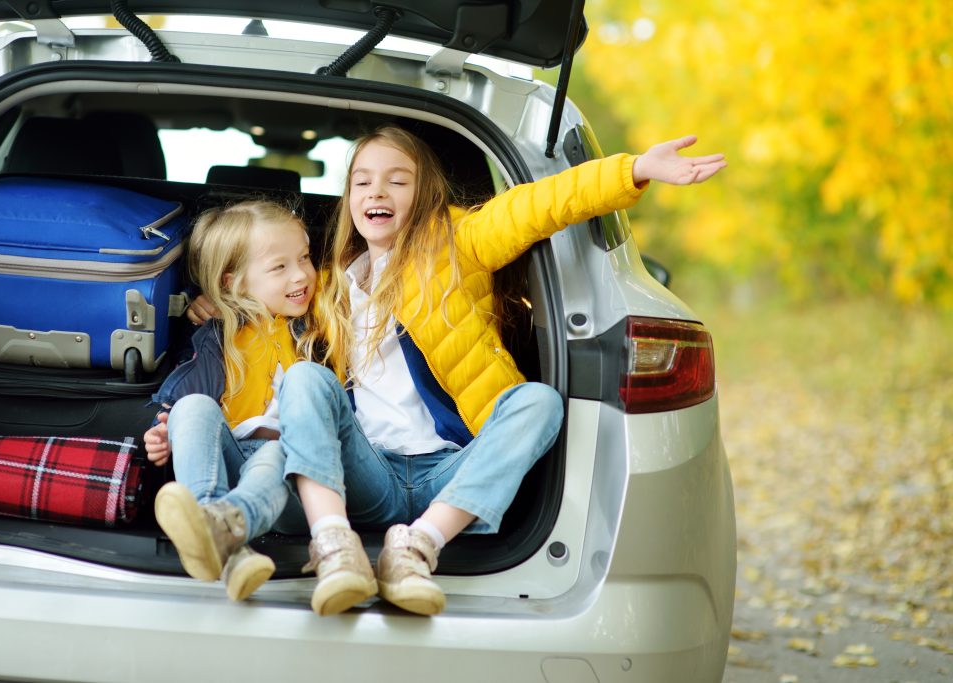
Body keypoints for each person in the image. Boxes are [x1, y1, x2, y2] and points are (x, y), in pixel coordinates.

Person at [189, 127, 726, 617]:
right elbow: (262, 296)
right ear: (348, 197)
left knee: (539, 401)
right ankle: (333, 545)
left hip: (451, 468)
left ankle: (418, 547)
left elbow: (539, 205)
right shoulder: (327, 284)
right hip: (368, 472)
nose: (377, 193)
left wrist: (632, 170)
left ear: (423, 195)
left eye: (397, 181)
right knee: (308, 381)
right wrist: (215, 303)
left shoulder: (460, 242)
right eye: (362, 182)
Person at [144, 199, 321, 602]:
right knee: (191, 408)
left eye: (305, 258)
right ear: (232, 284)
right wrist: (164, 429)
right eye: (280, 267)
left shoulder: (321, 321)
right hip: (227, 463)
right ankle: (225, 545)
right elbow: (190, 394)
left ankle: (223, 531)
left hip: (295, 481)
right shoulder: (218, 334)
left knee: (275, 454)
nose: (301, 275)